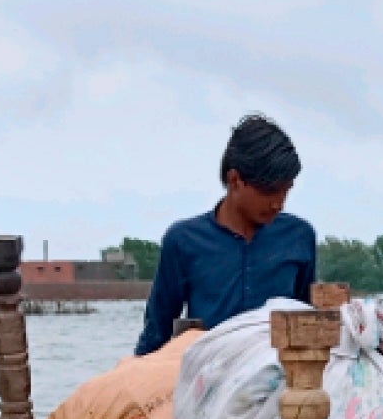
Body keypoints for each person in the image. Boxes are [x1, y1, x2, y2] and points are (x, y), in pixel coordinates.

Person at [135, 114, 317, 354]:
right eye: (269, 191)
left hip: (279, 380)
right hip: (207, 376)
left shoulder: (299, 237)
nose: (278, 204)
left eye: (286, 190)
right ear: (235, 180)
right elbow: (156, 332)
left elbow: (310, 324)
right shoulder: (183, 241)